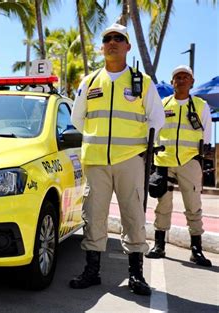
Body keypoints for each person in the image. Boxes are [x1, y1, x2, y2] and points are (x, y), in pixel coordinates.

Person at [70, 23, 165, 296]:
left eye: (119, 38)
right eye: (107, 38)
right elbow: (78, 119)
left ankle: (136, 274)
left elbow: (156, 119)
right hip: (96, 161)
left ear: (127, 46)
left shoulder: (141, 82)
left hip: (130, 160)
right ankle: (92, 271)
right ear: (102, 47)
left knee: (133, 215)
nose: (112, 42)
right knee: (93, 215)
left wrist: (140, 151)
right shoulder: (89, 82)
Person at [145, 65, 212, 267]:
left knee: (193, 206)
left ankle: (196, 250)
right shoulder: (163, 104)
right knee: (162, 205)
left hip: (189, 161)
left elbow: (207, 134)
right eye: (177, 77)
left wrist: (199, 158)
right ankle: (159, 246)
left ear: (192, 82)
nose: (181, 80)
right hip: (164, 161)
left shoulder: (201, 106)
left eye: (185, 77)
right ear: (172, 81)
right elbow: (153, 131)